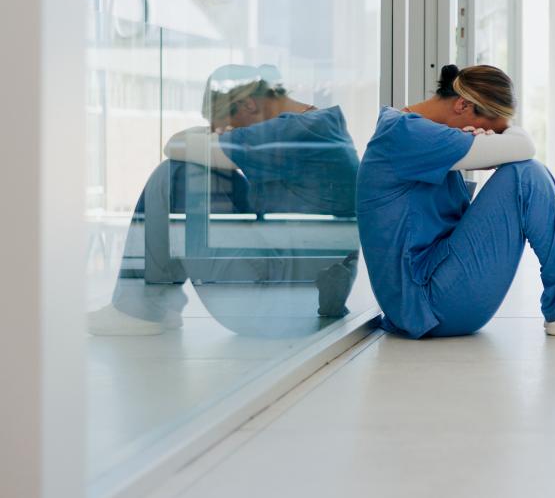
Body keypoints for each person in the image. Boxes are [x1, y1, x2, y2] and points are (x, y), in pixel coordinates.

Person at [356, 63, 555, 338]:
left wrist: (487, 136)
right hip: (428, 303)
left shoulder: (418, 132)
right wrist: (505, 136)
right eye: (492, 126)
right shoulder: (407, 133)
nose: (493, 134)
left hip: (431, 295)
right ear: (462, 105)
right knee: (525, 175)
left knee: (524, 170)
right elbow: (524, 146)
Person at [87, 64, 361, 336]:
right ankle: (152, 305)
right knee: (212, 170)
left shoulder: (293, 132)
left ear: (248, 105)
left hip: (277, 305)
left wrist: (211, 139)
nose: (227, 135)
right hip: (315, 298)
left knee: (177, 174)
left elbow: (175, 145)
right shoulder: (320, 124)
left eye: (225, 128)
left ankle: (141, 310)